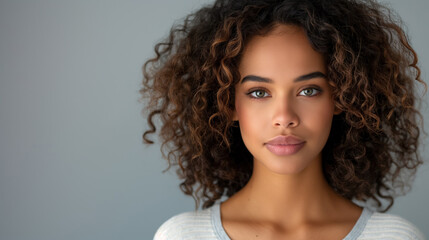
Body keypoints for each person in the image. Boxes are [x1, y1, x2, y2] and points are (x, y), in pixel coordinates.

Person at [140, 0, 426, 239]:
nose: (285, 118)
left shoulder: (395, 237)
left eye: (309, 90)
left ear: (342, 96)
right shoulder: (182, 236)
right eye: (259, 92)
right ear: (228, 104)